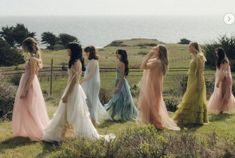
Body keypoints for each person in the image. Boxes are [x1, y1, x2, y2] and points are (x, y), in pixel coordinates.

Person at [12, 37, 49, 141]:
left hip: (29, 84)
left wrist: (25, 90)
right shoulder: (34, 58)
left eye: (23, 46)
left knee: (30, 108)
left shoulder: (32, 59)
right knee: (27, 107)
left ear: (27, 46)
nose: (22, 48)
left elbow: (32, 75)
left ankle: (38, 130)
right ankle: (27, 129)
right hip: (29, 82)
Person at [138, 45, 180, 130]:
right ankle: (153, 123)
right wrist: (150, 56)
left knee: (152, 105)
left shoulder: (157, 62)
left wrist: (149, 55)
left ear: (159, 52)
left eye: (155, 49)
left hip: (153, 86)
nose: (153, 50)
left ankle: (157, 123)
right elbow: (144, 63)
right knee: (152, 104)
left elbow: (143, 66)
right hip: (155, 85)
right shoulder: (158, 61)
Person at [174, 42, 208, 126]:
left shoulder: (199, 56)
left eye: (189, 47)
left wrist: (199, 84)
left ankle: (193, 118)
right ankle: (190, 118)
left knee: (192, 98)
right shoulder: (194, 56)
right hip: (192, 80)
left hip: (197, 81)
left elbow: (200, 72)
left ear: (194, 47)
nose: (188, 49)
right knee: (193, 98)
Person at [105, 49, 137, 121]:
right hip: (119, 81)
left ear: (121, 55)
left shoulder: (122, 63)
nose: (116, 55)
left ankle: (120, 115)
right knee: (118, 99)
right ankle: (115, 115)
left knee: (119, 98)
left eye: (117, 54)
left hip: (121, 83)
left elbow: (122, 77)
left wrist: (118, 87)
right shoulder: (120, 62)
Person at [81, 46, 110, 125]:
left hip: (92, 83)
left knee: (92, 100)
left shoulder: (93, 61)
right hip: (89, 82)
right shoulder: (91, 61)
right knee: (89, 100)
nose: (85, 53)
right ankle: (91, 118)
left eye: (86, 52)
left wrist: (82, 80)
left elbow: (92, 73)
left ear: (90, 52)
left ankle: (93, 119)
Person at [208, 48, 235, 114]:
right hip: (222, 79)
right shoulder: (221, 61)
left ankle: (221, 110)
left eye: (217, 53)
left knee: (225, 94)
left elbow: (224, 73)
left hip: (225, 80)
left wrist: (218, 81)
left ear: (220, 53)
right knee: (222, 94)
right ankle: (221, 110)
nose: (216, 54)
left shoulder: (224, 61)